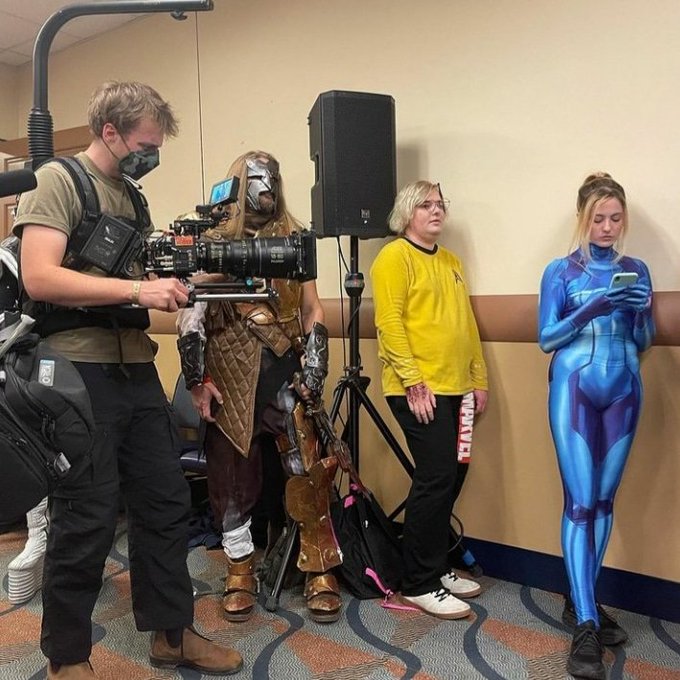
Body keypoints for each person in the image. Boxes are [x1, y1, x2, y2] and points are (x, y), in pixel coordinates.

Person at [13, 81, 242, 680]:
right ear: (109, 131)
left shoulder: (133, 200)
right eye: (144, 146)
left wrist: (187, 280)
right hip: (76, 373)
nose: (151, 156)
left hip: (136, 369)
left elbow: (145, 279)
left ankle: (172, 634)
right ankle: (67, 659)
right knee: (86, 516)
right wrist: (140, 290)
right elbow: (40, 277)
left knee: (165, 504)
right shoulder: (57, 181)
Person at [176, 150, 343, 624]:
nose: (266, 186)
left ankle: (318, 567)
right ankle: (240, 568)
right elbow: (190, 312)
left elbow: (312, 308)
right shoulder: (211, 240)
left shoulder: (294, 235)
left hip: (285, 368)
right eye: (256, 178)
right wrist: (197, 381)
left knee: (309, 467)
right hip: (229, 373)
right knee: (231, 477)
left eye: (272, 178)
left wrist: (315, 365)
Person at [538, 173, 655, 680]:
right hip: (575, 388)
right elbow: (546, 337)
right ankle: (586, 622)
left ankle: (581, 597)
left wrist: (641, 311)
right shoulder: (561, 271)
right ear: (583, 219)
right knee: (581, 502)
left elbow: (645, 340)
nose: (607, 227)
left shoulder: (636, 269)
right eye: (598, 218)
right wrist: (593, 307)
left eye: (615, 218)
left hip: (625, 386)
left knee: (605, 501)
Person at [370, 180, 488, 620]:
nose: (436, 210)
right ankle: (418, 583)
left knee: (454, 474)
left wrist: (479, 379)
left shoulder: (452, 262)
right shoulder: (393, 257)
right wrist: (415, 382)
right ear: (407, 213)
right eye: (426, 205)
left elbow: (466, 325)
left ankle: (435, 566)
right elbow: (389, 324)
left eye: (440, 204)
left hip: (459, 390)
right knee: (435, 476)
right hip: (418, 391)